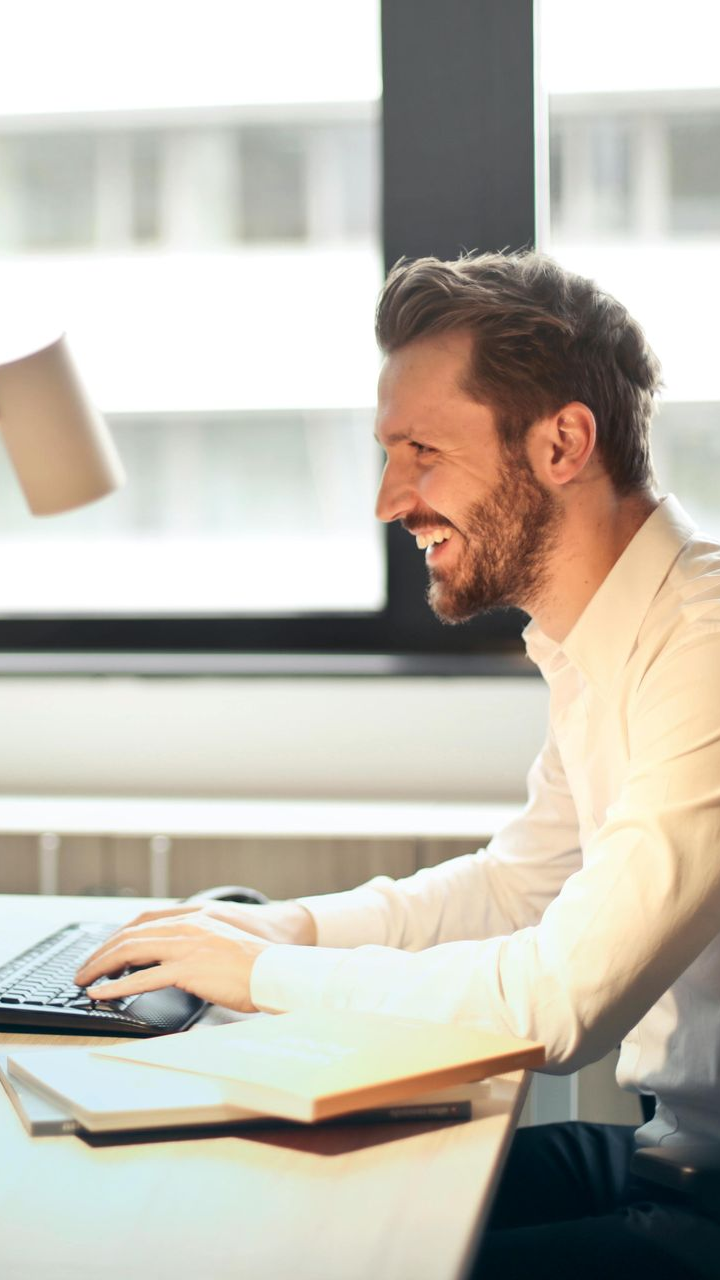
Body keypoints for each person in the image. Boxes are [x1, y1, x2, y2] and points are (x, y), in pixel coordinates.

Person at [75, 252, 720, 1279]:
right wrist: (284, 925)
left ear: (564, 442)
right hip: (662, 1160)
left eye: (421, 449)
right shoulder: (600, 639)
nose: (389, 499)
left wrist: (260, 974)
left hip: (705, 1209)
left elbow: (560, 1001)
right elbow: (519, 887)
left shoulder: (705, 645)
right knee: (265, 1209)